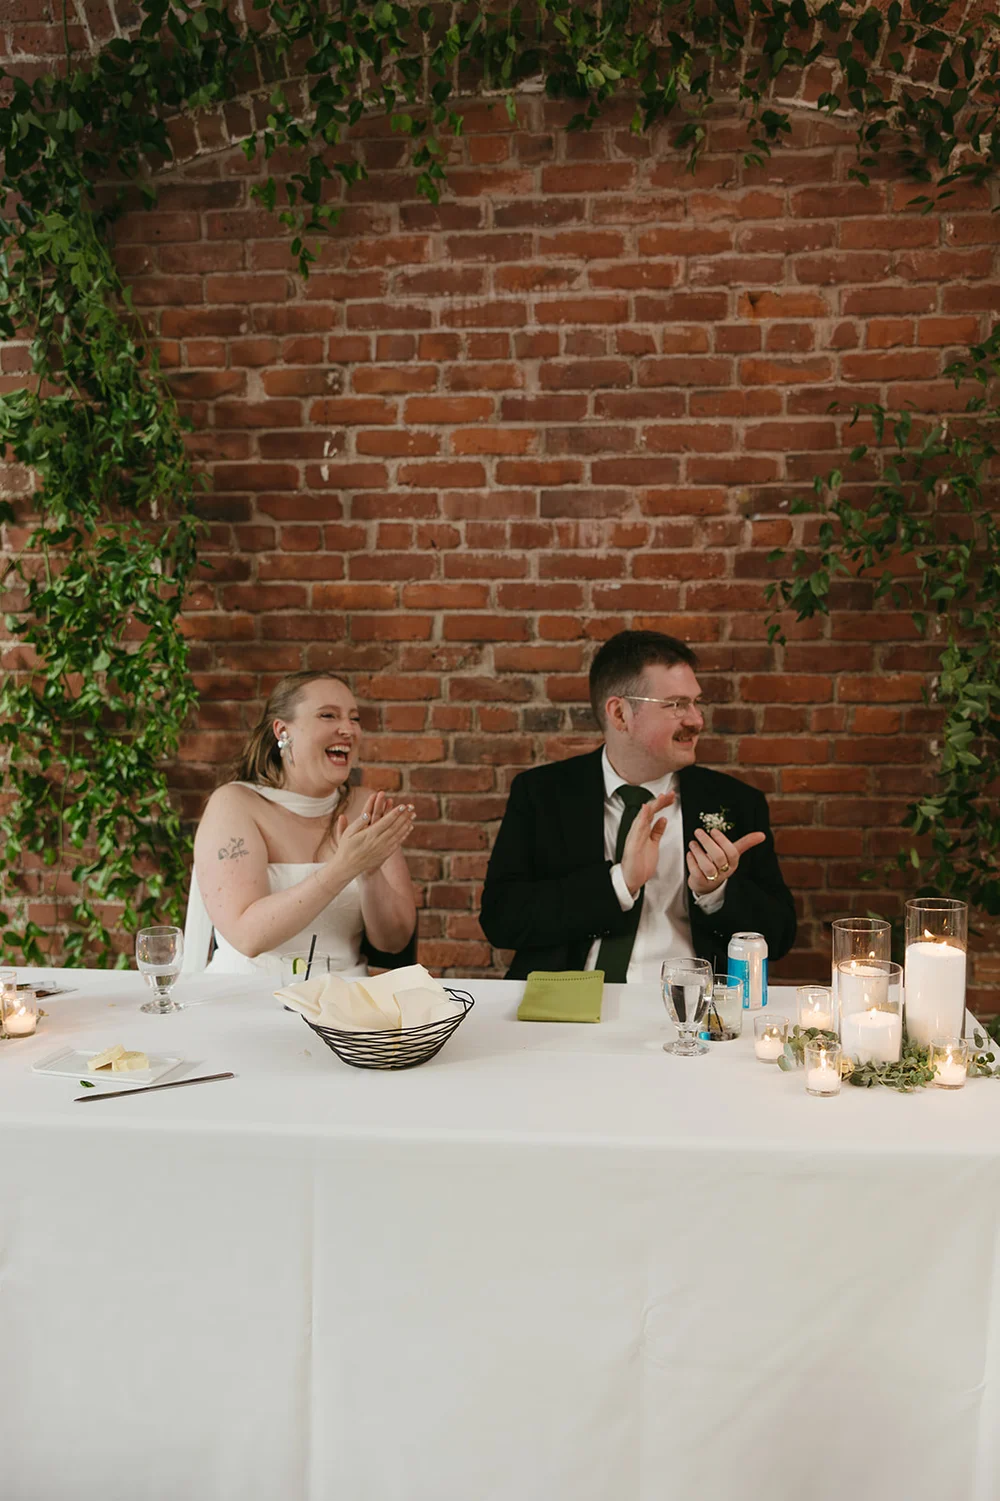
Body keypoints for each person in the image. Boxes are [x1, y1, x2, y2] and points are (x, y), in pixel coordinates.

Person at [480, 630, 796, 982]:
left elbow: (780, 936)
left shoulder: (736, 801)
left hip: (693, 1008)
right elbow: (502, 921)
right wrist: (619, 883)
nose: (696, 720)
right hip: (567, 1011)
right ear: (620, 714)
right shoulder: (541, 794)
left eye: (695, 702)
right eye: (676, 704)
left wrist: (717, 892)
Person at [190, 671, 417, 976]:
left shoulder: (366, 806)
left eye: (354, 719)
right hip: (246, 998)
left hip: (343, 1002)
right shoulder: (235, 804)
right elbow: (247, 937)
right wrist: (344, 867)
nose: (347, 729)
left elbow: (394, 942)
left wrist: (370, 872)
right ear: (283, 732)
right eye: (328, 715)